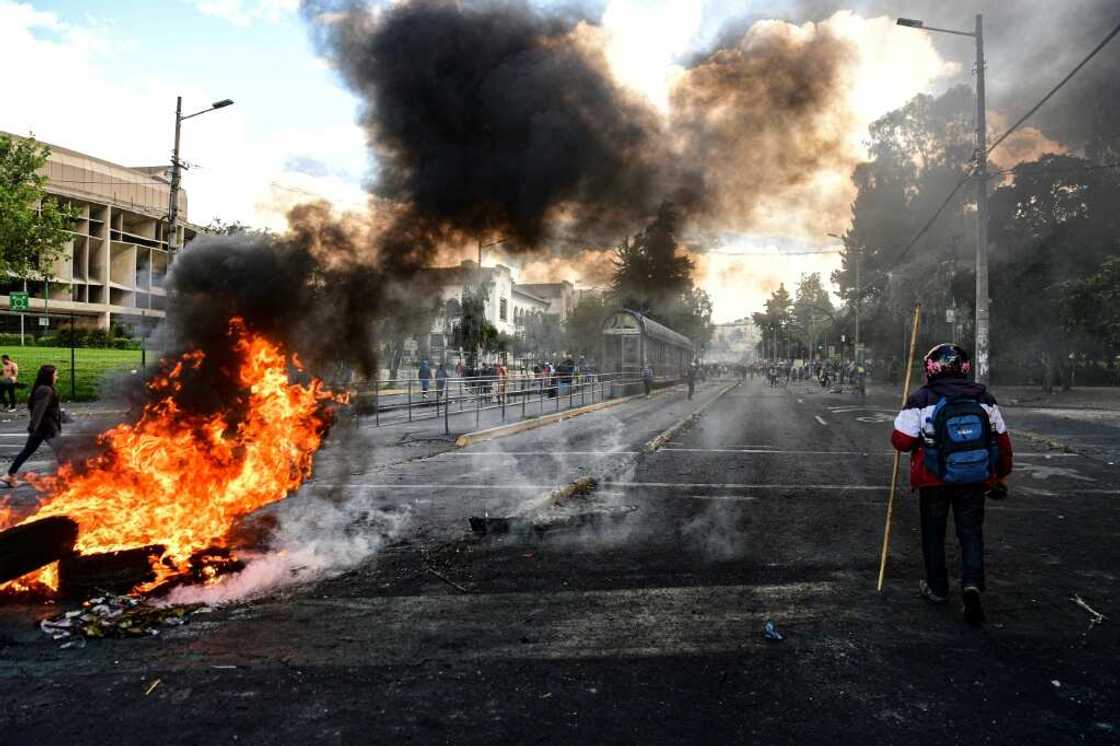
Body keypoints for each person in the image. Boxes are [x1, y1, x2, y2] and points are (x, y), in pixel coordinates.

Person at [890, 344, 1014, 625]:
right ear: (965, 367)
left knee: (933, 533)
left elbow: (901, 441)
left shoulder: (921, 398)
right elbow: (1003, 443)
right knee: (970, 532)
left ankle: (937, 588)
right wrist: (1001, 476)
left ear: (931, 368)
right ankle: (971, 584)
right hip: (973, 478)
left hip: (933, 480)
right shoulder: (984, 398)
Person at [2, 365, 62, 487]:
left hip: (43, 427)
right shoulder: (45, 390)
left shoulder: (44, 388)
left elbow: (50, 409)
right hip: (46, 428)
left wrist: (64, 418)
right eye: (55, 374)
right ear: (48, 376)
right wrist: (33, 426)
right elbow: (38, 410)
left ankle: (9, 475)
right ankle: (70, 477)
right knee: (62, 451)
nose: (57, 377)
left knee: (28, 451)